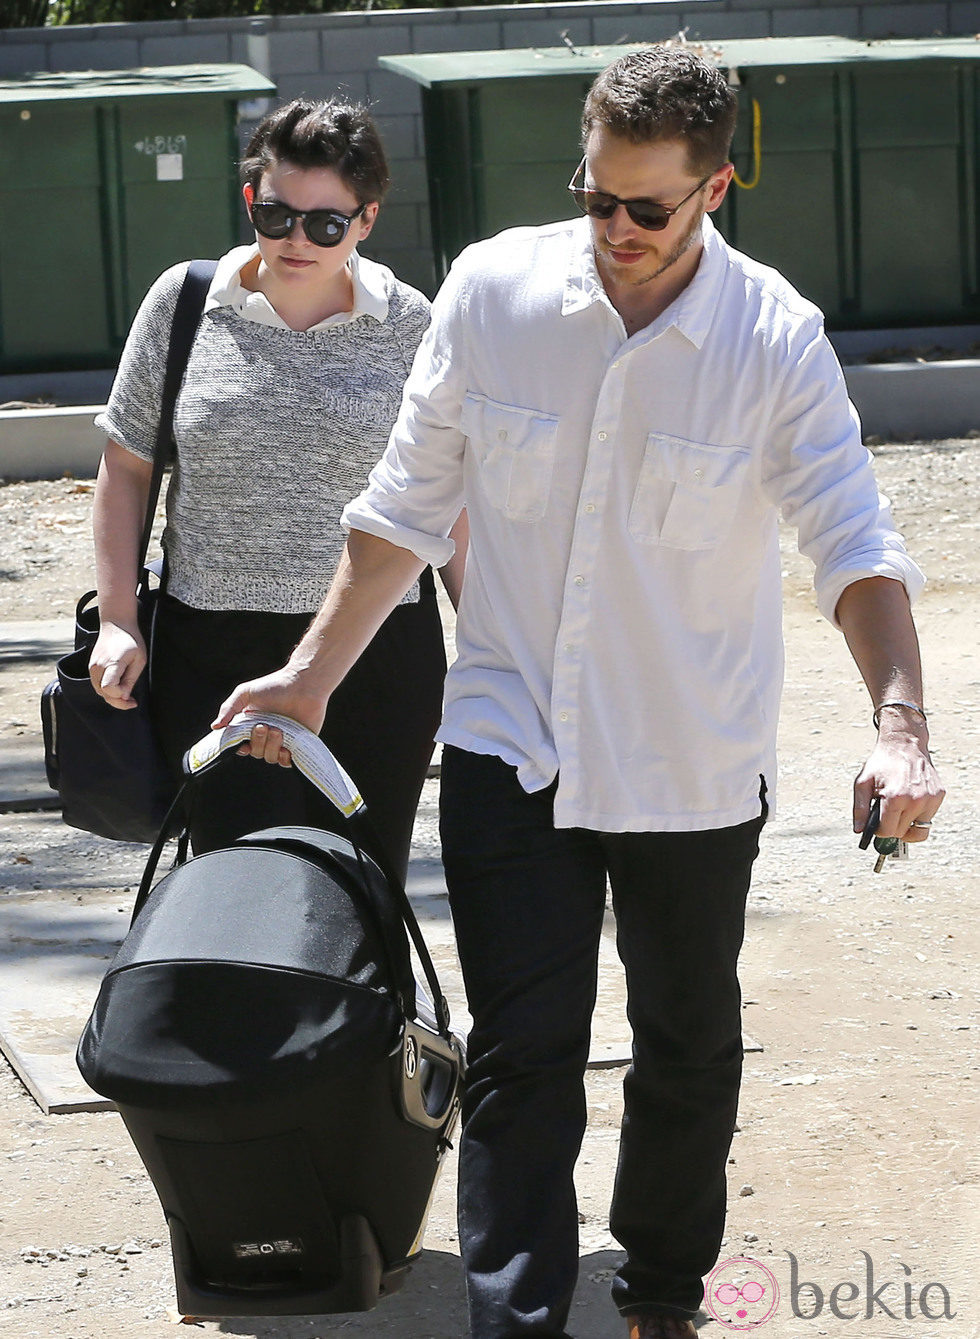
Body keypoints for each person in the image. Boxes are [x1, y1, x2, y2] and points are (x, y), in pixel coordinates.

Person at [213, 49, 945, 1339]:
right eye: (593, 195)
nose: (611, 229)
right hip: (512, 740)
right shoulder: (493, 292)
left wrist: (900, 728)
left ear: (713, 188)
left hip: (689, 756)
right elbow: (404, 505)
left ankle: (661, 1293)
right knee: (520, 1050)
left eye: (645, 209)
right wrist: (310, 676)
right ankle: (519, 1318)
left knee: (683, 1043)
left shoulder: (769, 334)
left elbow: (852, 538)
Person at [89, 97, 462, 879]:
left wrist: (498, 643)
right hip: (209, 652)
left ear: (365, 221)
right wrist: (119, 622)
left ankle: (374, 1008)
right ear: (250, 200)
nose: (297, 240)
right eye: (276, 214)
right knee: (231, 884)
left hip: (376, 651)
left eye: (326, 224)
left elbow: (448, 501)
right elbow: (126, 469)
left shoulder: (411, 325)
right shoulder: (184, 304)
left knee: (364, 880)